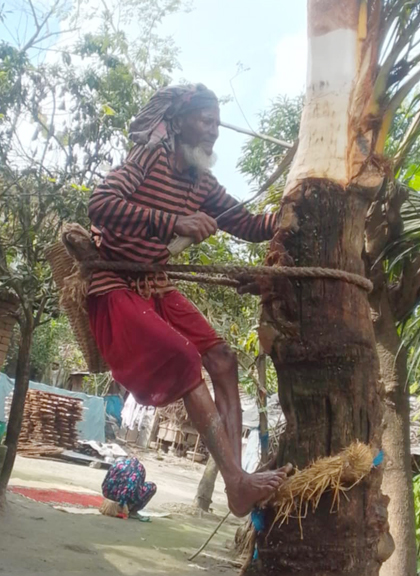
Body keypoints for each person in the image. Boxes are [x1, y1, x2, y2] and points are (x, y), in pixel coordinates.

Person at [87, 84, 287, 516]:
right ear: (178, 123)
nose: (213, 130)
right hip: (116, 286)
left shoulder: (204, 184)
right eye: (205, 120)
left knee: (223, 358)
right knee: (182, 356)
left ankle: (237, 482)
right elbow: (100, 204)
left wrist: (295, 214)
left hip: (153, 286)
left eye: (217, 122)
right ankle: (237, 478)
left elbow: (250, 225)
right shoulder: (149, 159)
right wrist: (173, 221)